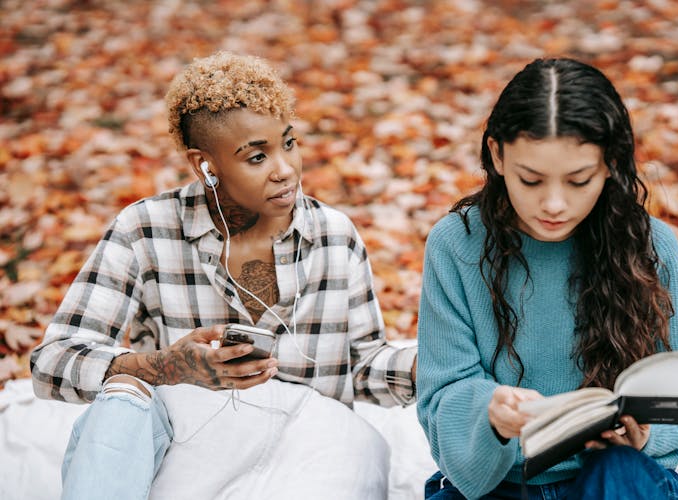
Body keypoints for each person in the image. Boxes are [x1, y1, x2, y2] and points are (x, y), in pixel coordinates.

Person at [30, 51, 417, 499]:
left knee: (359, 443)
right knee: (122, 399)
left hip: (310, 449)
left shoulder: (335, 235)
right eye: (257, 157)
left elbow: (364, 365)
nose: (286, 170)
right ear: (205, 166)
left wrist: (431, 368)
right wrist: (163, 367)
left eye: (289, 143)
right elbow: (51, 361)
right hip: (186, 444)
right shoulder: (145, 230)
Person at [416, 57, 678, 500]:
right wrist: (491, 415)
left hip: (616, 479)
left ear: (610, 164)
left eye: (578, 181)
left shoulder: (651, 245)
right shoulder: (456, 244)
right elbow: (443, 394)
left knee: (620, 475)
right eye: (531, 180)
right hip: (501, 486)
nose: (554, 204)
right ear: (497, 155)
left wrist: (644, 437)